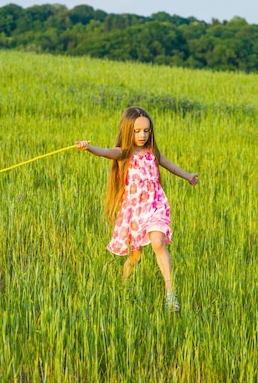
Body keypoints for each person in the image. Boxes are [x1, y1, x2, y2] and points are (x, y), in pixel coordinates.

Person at [76, 107, 199, 312]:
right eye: (137, 131)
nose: (142, 135)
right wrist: (88, 147)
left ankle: (170, 293)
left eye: (146, 131)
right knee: (135, 257)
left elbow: (169, 165)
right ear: (127, 131)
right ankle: (125, 289)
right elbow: (106, 152)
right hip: (134, 211)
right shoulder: (124, 153)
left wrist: (187, 176)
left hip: (155, 206)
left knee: (158, 242)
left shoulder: (152, 153)